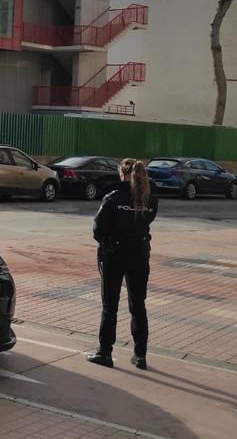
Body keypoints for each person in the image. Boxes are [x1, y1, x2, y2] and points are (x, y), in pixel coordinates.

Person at [86, 158, 157, 370]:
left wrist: (108, 240)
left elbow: (98, 229)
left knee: (110, 305)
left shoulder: (113, 198)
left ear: (122, 174)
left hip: (114, 255)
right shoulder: (149, 200)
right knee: (138, 306)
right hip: (140, 256)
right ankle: (140, 354)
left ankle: (105, 352)